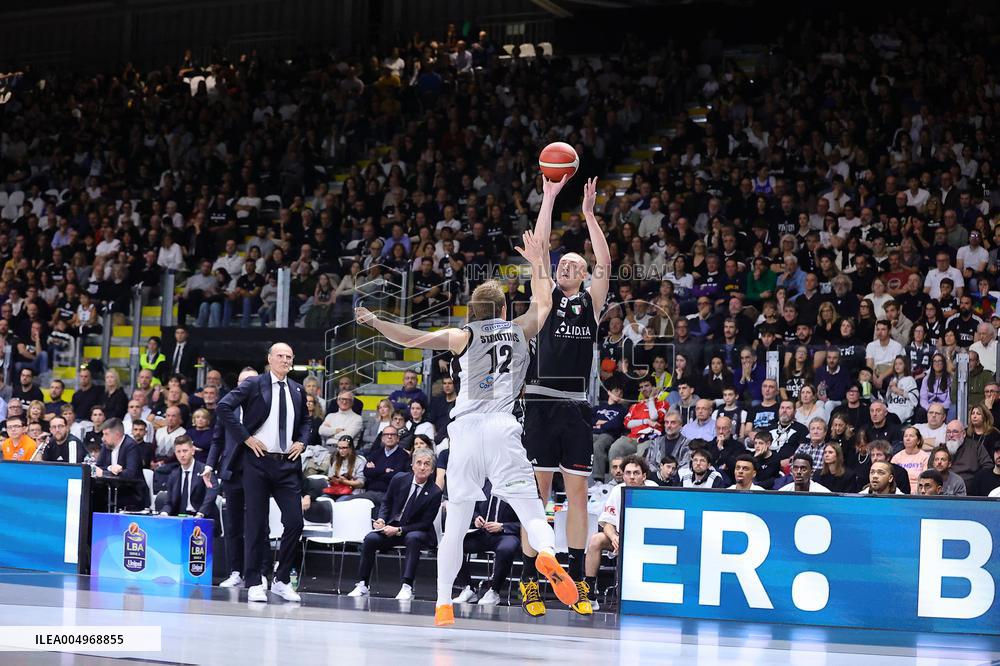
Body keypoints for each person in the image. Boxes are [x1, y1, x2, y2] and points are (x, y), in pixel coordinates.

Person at [355, 222, 582, 627]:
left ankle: (444, 604)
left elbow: (409, 339)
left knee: (456, 523)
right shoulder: (519, 328)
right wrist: (535, 264)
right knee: (532, 510)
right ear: (504, 311)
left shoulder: (462, 335)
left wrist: (375, 321)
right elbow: (544, 305)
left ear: (473, 312)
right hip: (504, 429)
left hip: (465, 432)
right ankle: (547, 553)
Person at [519, 176, 610, 618]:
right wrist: (550, 196)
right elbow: (538, 245)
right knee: (537, 496)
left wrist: (590, 215)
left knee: (576, 495)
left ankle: (578, 581)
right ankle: (530, 579)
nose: (565, 266)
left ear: (585, 273)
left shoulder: (591, 302)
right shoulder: (545, 296)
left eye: (575, 263)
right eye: (562, 263)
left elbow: (606, 262)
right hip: (538, 401)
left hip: (575, 403)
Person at [216, 343, 313, 604]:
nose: (284, 359)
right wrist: (245, 438)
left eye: (289, 357)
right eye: (279, 355)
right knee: (256, 525)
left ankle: (281, 580)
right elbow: (224, 407)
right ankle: (254, 581)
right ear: (269, 359)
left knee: (295, 522)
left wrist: (302, 442)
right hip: (257, 461)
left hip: (287, 464)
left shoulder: (297, 389)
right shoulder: (254, 384)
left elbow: (306, 421)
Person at [203, 367, 270, 590]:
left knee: (258, 525)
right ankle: (236, 572)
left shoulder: (266, 406)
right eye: (242, 382)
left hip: (257, 471)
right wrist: (210, 465)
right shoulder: (227, 406)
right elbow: (217, 439)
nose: (246, 386)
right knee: (233, 526)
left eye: (250, 382)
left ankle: (260, 572)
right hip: (231, 472)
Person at [347, 449, 442, 601]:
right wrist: (382, 520)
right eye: (419, 463)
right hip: (392, 526)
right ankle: (363, 584)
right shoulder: (399, 479)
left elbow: (425, 523)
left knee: (413, 538)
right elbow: (386, 502)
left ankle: (407, 586)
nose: (422, 467)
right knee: (370, 539)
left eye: (427, 464)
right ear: (412, 465)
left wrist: (399, 530)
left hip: (415, 530)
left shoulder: (435, 492)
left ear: (432, 470)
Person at [582, 455, 658, 609]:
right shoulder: (617, 491)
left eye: (636, 473)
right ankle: (589, 593)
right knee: (596, 539)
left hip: (649, 540)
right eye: (628, 473)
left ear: (644, 475)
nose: (631, 477)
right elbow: (607, 522)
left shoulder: (654, 490)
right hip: (622, 538)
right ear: (623, 475)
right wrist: (614, 537)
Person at [451, 481, 521, 607]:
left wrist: (502, 526)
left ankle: (494, 591)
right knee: (453, 544)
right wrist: (476, 518)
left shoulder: (519, 486)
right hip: (483, 532)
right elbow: (473, 508)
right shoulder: (485, 484)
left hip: (507, 534)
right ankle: (468, 588)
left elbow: (528, 521)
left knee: (506, 549)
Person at [93, 418, 146, 510]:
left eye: (106, 434)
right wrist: (110, 468)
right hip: (111, 491)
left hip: (130, 494)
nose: (103, 438)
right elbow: (99, 467)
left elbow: (131, 474)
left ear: (117, 434)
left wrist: (104, 473)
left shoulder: (131, 446)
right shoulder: (107, 445)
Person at [160, 436, 219, 518]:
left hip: (202, 516)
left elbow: (211, 494)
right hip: (180, 518)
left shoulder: (204, 470)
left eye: (185, 451)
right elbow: (169, 502)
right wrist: (164, 513)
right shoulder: (174, 474)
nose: (182, 455)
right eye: (178, 452)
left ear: (192, 451)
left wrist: (201, 513)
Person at [891, 427, 929, 492]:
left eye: (911, 436)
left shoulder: (925, 457)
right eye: (905, 436)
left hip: (919, 492)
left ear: (918, 441)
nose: (907, 439)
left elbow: (925, 479)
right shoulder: (896, 457)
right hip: (900, 491)